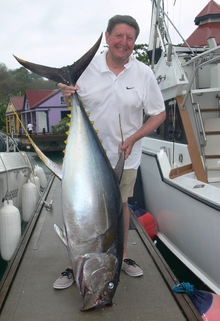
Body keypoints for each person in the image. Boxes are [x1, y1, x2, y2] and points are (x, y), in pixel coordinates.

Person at [53, 15, 166, 289]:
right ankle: (74, 264)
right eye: (119, 36)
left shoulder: (143, 74)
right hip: (85, 158)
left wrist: (135, 137)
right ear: (107, 37)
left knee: (121, 206)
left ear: (134, 43)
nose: (123, 42)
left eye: (129, 38)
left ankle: (122, 257)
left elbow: (159, 113)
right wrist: (66, 92)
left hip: (124, 157)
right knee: (77, 207)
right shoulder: (87, 69)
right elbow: (67, 95)